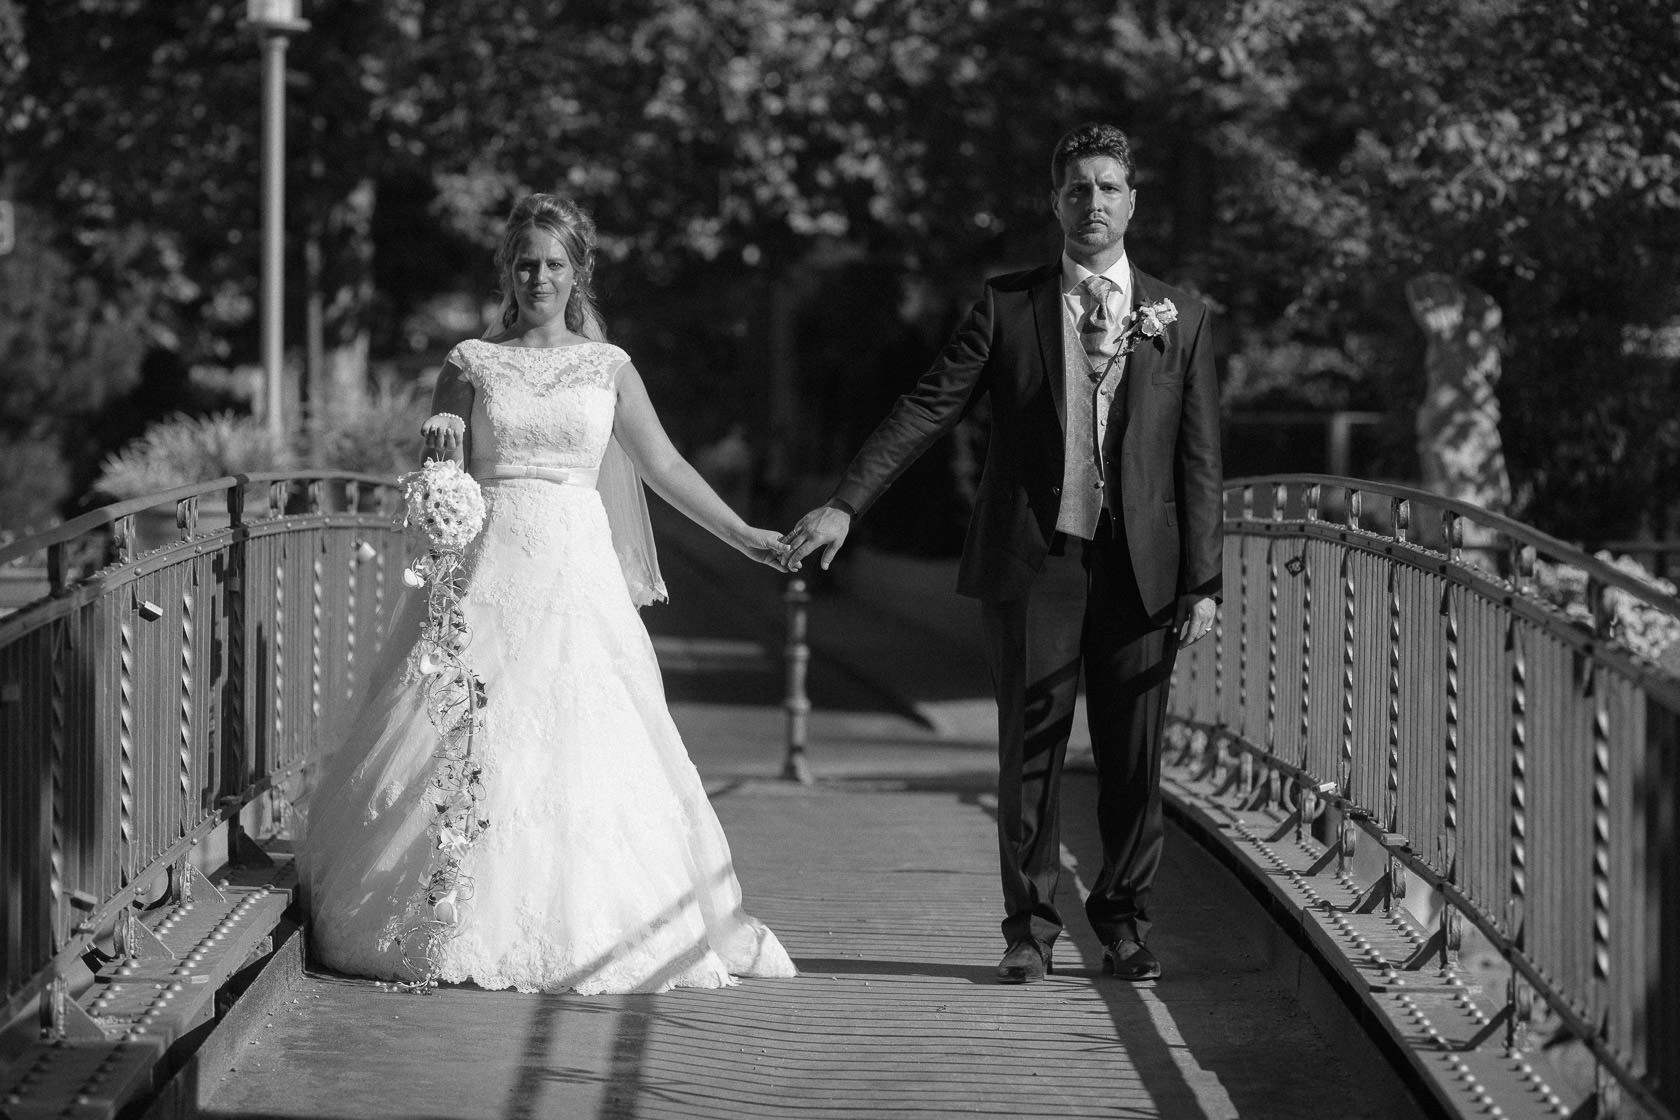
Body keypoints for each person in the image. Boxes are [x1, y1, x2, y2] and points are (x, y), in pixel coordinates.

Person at [300, 193, 798, 994]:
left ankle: (599, 921)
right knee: (469, 728)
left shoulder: (610, 368)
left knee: (585, 734)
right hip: (488, 569)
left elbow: (664, 468)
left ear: (578, 273)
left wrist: (745, 536)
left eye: (554, 264)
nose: (539, 277)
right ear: (508, 270)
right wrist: (439, 458)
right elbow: (442, 480)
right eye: (525, 262)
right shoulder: (469, 364)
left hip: (575, 573)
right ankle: (445, 913)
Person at [780, 123, 1222, 984]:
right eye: (1075, 189)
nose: (1091, 202)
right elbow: (925, 406)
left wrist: (1204, 578)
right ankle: (1031, 929)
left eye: (1106, 187)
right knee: (1030, 748)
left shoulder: (1185, 316)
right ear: (1054, 202)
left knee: (1134, 751)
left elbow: (1199, 457)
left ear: (1132, 201)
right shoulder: (1006, 305)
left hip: (1144, 570)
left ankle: (1125, 923)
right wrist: (845, 505)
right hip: (1035, 559)